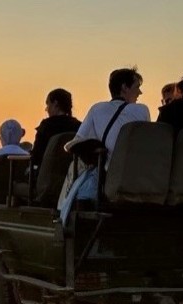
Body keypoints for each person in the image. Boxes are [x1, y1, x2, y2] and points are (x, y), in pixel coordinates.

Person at [58, 68, 150, 219]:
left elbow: (76, 141)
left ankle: (62, 213)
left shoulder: (97, 109)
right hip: (136, 176)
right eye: (137, 87)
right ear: (124, 88)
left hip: (109, 177)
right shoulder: (142, 110)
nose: (140, 92)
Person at [30, 88, 81, 169]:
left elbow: (36, 156)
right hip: (73, 173)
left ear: (55, 104)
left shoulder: (46, 126)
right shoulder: (79, 126)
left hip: (48, 173)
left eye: (48, 104)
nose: (46, 109)